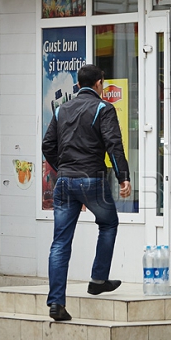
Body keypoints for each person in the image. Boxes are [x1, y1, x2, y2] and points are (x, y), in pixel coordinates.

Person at [42, 64, 132, 321]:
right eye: (102, 82)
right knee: (109, 223)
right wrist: (123, 177)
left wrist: (63, 169)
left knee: (60, 242)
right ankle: (98, 279)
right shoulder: (103, 108)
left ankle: (56, 303)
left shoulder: (61, 109)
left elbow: (47, 145)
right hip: (91, 179)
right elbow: (113, 144)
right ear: (98, 83)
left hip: (65, 183)